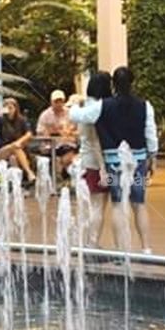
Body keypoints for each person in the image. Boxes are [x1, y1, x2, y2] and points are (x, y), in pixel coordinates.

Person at [69, 66, 158, 254]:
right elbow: (151, 134)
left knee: (117, 203)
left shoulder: (104, 105)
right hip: (139, 160)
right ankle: (146, 248)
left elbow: (76, 116)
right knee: (139, 203)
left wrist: (76, 104)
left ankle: (120, 249)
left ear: (114, 84)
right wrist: (153, 156)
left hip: (113, 161)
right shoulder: (145, 105)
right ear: (132, 82)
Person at [67, 72, 111, 246]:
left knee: (91, 206)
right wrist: (103, 168)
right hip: (95, 163)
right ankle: (92, 244)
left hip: (86, 161)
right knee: (98, 206)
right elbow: (95, 141)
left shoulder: (84, 108)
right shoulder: (95, 112)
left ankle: (88, 242)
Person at [0, 97, 36, 186]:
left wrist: (19, 141)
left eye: (11, 108)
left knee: (14, 158)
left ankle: (17, 185)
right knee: (14, 147)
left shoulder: (21, 120)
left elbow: (29, 134)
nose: (9, 110)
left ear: (16, 108)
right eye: (6, 108)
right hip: (2, 151)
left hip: (18, 151)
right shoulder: (1, 119)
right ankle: (29, 172)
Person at [35, 89, 79, 178]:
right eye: (56, 101)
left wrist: (70, 132)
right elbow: (40, 131)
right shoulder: (45, 115)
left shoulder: (70, 113)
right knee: (51, 158)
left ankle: (64, 175)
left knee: (67, 158)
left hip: (67, 143)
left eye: (61, 101)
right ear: (51, 102)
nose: (59, 104)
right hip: (50, 145)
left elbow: (78, 130)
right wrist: (52, 131)